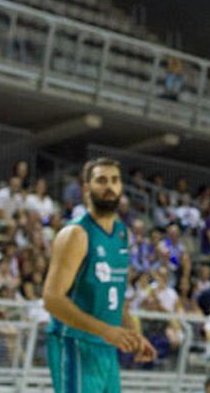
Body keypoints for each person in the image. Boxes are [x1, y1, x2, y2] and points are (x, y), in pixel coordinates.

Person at [43, 157, 156, 392]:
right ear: (86, 189)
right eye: (101, 180)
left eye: (114, 180)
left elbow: (117, 296)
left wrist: (134, 334)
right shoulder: (76, 234)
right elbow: (52, 299)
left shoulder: (122, 233)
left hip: (106, 346)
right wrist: (106, 331)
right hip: (75, 343)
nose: (109, 187)